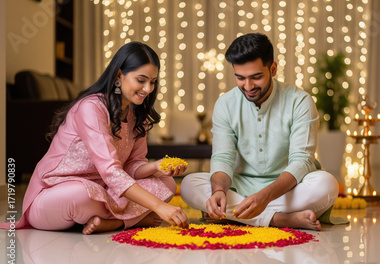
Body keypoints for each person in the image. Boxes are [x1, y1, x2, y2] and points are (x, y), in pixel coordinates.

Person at [1, 42, 188, 234]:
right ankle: (131, 220)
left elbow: (132, 166)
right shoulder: (91, 107)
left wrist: (156, 167)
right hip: (56, 195)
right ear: (118, 75)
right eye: (141, 80)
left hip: (104, 192)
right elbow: (111, 172)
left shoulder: (135, 114)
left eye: (153, 81)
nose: (148, 88)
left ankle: (114, 223)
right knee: (81, 195)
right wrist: (159, 207)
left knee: (167, 183)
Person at [180, 33, 339, 231]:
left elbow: (301, 161)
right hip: (240, 186)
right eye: (240, 78)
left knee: (327, 185)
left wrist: (265, 197)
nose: (248, 87)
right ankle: (279, 219)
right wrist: (219, 189)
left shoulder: (300, 101)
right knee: (189, 184)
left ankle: (238, 214)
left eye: (256, 77)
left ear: (273, 69)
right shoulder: (225, 104)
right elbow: (223, 157)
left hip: (287, 189)